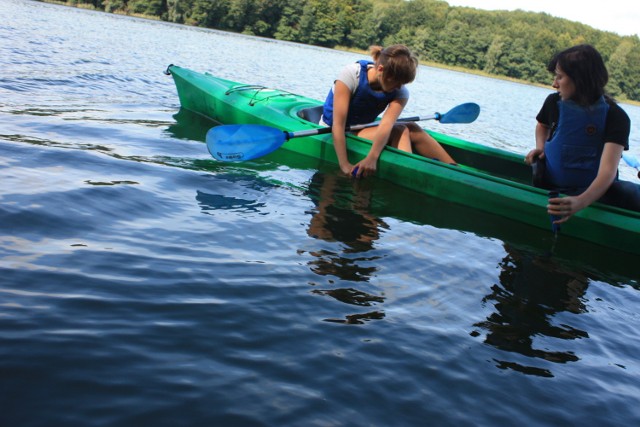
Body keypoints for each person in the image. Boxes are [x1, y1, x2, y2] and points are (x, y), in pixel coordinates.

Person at [525, 44, 640, 222]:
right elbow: (542, 125)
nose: (554, 83)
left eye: (560, 77)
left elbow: (607, 172)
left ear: (581, 80)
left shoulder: (616, 117)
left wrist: (580, 202)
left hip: (594, 192)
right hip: (552, 185)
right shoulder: (553, 102)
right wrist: (541, 147)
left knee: (631, 192)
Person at [322, 45, 455, 178]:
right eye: (397, 81)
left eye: (403, 83)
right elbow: (338, 125)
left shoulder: (401, 92)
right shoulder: (351, 75)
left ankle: (454, 169)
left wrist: (372, 158)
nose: (399, 87)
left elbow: (386, 124)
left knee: (412, 127)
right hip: (333, 128)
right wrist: (345, 165)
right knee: (400, 130)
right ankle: (410, 174)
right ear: (381, 69)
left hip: (361, 128)